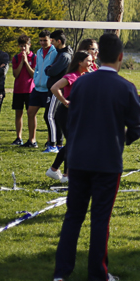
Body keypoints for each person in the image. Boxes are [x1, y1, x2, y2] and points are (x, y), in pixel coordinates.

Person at [52, 33, 140, 281]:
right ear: (121, 57)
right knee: (100, 218)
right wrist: (119, 138)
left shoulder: (81, 83)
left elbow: (72, 117)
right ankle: (97, 274)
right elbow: (137, 128)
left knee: (74, 215)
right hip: (107, 161)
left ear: (97, 56)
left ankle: (61, 272)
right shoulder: (125, 87)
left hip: (79, 158)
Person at [47, 51, 92, 183]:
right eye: (88, 61)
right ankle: (65, 175)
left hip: (77, 114)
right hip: (66, 113)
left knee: (73, 143)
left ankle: (56, 170)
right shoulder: (72, 76)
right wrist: (65, 101)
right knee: (73, 143)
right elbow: (55, 88)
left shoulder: (85, 75)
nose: (90, 63)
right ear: (80, 62)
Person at [25, 31, 57, 148]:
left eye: (45, 40)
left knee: (49, 116)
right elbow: (37, 68)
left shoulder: (55, 52)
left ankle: (50, 140)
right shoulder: (38, 52)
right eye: (41, 40)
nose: (42, 43)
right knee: (30, 112)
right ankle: (32, 140)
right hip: (37, 88)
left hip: (48, 89)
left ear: (51, 40)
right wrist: (36, 77)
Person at [44, 30, 73, 153]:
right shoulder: (60, 53)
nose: (51, 44)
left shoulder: (64, 56)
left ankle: (53, 145)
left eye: (53, 41)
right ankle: (59, 144)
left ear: (59, 41)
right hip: (54, 88)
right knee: (55, 116)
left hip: (58, 89)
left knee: (49, 116)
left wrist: (48, 68)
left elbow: (52, 71)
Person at [11, 35, 36, 145]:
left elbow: (33, 74)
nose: (23, 49)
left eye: (25, 46)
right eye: (21, 46)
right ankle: (18, 137)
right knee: (18, 114)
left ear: (29, 45)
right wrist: (21, 61)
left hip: (30, 90)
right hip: (18, 90)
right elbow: (15, 74)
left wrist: (26, 62)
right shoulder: (16, 58)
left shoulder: (34, 57)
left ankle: (32, 138)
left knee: (31, 114)